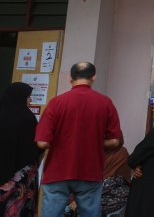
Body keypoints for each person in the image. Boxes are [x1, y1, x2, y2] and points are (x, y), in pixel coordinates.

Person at [35, 62, 123, 217]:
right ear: (94, 77)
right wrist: (94, 142)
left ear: (70, 78)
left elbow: (42, 142)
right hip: (90, 170)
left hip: (57, 171)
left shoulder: (56, 103)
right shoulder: (105, 103)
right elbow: (115, 141)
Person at [1, 82, 43, 217]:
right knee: (21, 208)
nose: (30, 100)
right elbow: (36, 147)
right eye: (28, 96)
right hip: (22, 175)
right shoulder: (27, 119)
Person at [100, 138, 132, 216]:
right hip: (93, 192)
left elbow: (114, 182)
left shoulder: (121, 153)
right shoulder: (95, 151)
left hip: (113, 194)